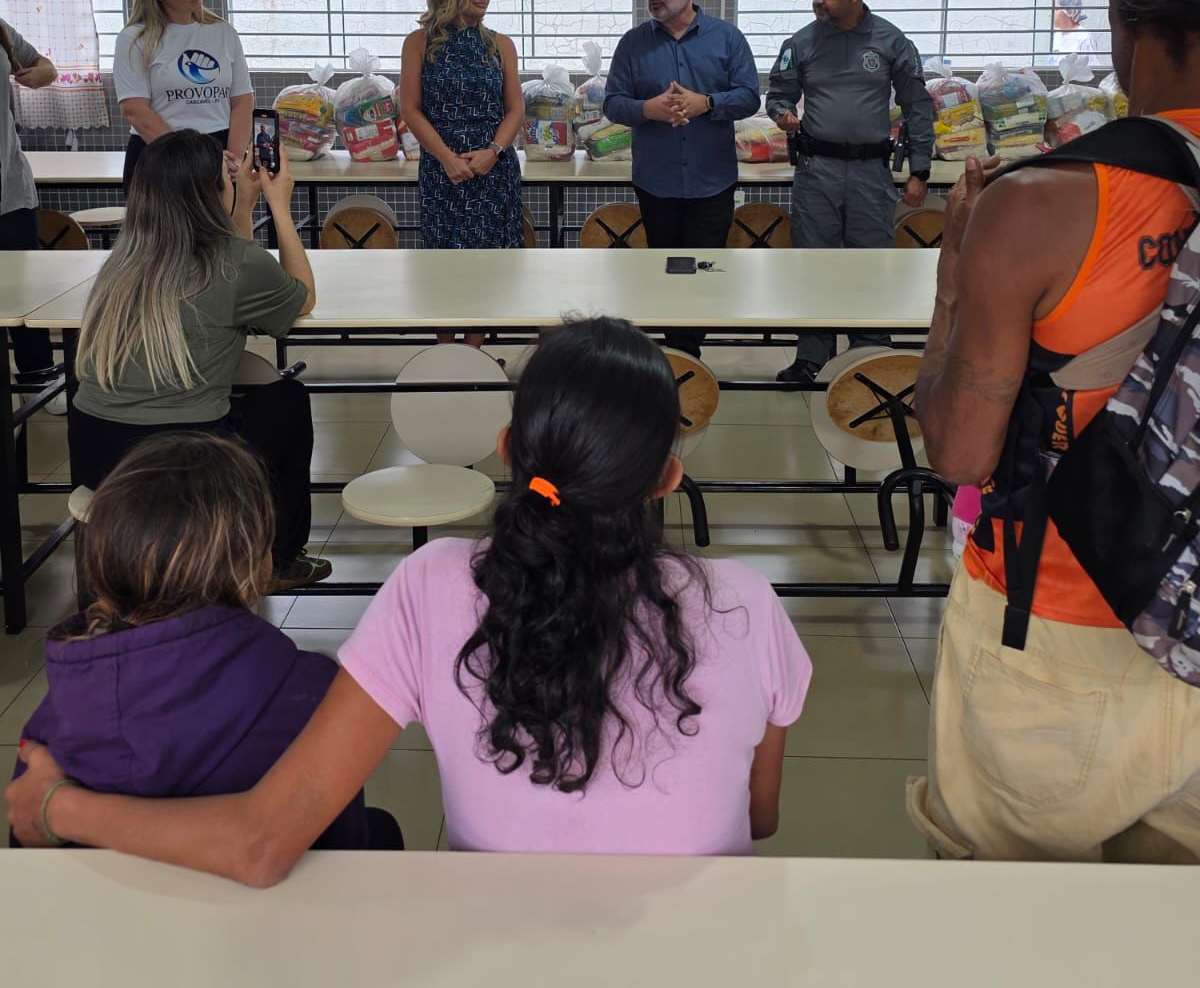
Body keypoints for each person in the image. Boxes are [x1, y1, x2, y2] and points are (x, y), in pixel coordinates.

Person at [7, 317, 813, 873]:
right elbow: (764, 816)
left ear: (506, 451)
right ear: (669, 478)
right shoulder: (748, 602)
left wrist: (56, 808)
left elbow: (259, 843)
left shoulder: (433, 586)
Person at [909, 0, 1200, 862]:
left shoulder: (1043, 205)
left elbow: (957, 448)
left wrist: (955, 279)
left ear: (1128, 24)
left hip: (1059, 623)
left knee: (1012, 923)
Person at [9, 433, 401, 851]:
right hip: (264, 910)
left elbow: (26, 836)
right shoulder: (313, 689)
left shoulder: (58, 710)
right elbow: (340, 849)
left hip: (105, 911)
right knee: (381, 830)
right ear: (255, 564)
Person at [68, 129, 330, 591]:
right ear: (211, 194)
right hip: (181, 457)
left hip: (95, 451)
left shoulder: (121, 261)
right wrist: (280, 207)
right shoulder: (235, 264)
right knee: (288, 398)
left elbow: (238, 268)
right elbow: (301, 298)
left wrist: (244, 208)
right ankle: (281, 557)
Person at [765, 0, 934, 386]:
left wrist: (920, 171)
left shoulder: (892, 41)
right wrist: (783, 113)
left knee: (870, 266)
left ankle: (870, 350)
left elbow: (917, 107)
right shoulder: (801, 43)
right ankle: (811, 355)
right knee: (814, 265)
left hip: (869, 174)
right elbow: (777, 95)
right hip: (816, 171)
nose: (817, 0)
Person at [603, 0, 760, 353]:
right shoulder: (633, 43)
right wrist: (647, 110)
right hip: (657, 182)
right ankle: (673, 356)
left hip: (712, 181)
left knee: (703, 273)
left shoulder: (727, 38)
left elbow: (748, 96)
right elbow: (613, 103)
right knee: (665, 270)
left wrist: (706, 102)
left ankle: (689, 356)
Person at [398, 0, 524, 347]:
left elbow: (515, 108)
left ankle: (473, 351)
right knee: (443, 264)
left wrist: (494, 152)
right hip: (442, 170)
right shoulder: (418, 43)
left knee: (487, 265)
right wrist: (446, 158)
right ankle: (445, 351)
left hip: (493, 169)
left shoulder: (501, 45)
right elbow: (410, 109)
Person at [113, 0, 253, 193]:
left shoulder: (223, 33)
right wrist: (188, 160)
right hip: (161, 154)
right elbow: (134, 110)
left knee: (224, 231)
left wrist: (235, 159)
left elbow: (242, 100)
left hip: (217, 150)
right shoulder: (134, 39)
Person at [0, 17, 59, 392]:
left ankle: (39, 378)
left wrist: (41, 74)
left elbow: (43, 65)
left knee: (23, 284)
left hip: (9, 185)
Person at [1052, 0, 1100, 64]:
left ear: (1071, 11)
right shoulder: (1056, 36)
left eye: (1056, 9)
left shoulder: (1084, 38)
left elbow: (1092, 69)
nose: (1051, 14)